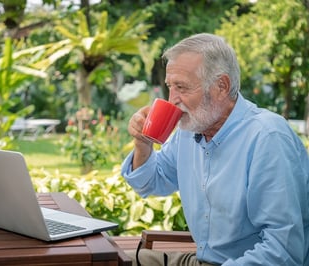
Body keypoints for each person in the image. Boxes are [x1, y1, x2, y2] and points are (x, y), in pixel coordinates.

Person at [121, 33, 309, 265]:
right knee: (111, 260)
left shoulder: (267, 137)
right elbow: (150, 183)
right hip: (201, 260)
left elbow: (284, 251)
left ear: (221, 86)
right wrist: (143, 144)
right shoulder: (189, 131)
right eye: (170, 87)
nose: (173, 100)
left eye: (182, 87)